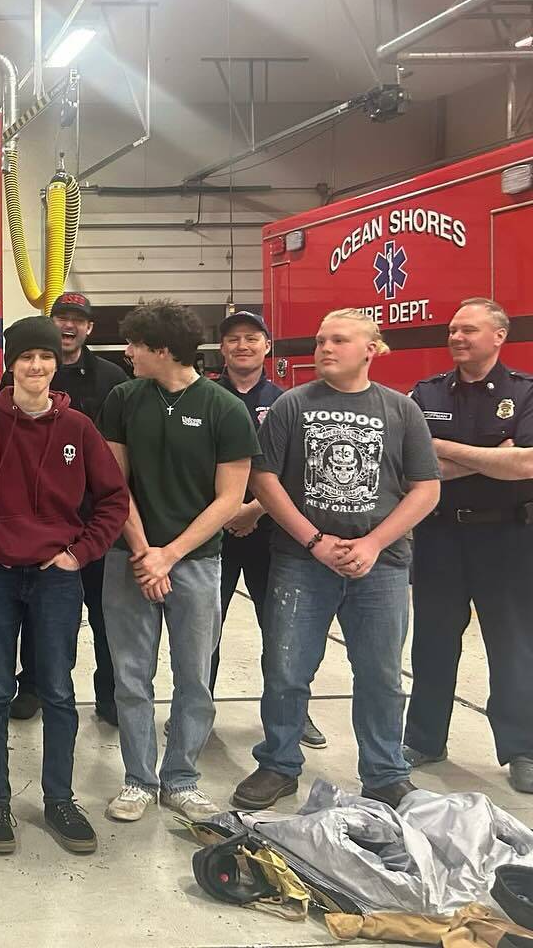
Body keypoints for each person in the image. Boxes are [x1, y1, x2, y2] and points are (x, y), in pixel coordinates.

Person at [0, 316, 128, 855]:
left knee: (59, 692)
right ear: (9, 365)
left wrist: (79, 553)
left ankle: (59, 798)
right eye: (26, 359)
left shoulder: (78, 429)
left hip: (56, 581)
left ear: (54, 364)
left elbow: (113, 500)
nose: (37, 367)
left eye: (45, 358)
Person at [232, 309, 440, 811]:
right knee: (287, 668)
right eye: (321, 340)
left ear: (371, 348)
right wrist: (313, 541)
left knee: (381, 674)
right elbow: (265, 481)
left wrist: (371, 544)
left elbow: (426, 489)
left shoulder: (401, 410)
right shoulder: (291, 406)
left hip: (382, 564)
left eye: (339, 340)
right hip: (303, 562)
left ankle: (385, 772)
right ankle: (279, 764)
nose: (324, 348)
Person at [98, 300, 259, 824]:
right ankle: (139, 780)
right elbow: (114, 486)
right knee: (130, 676)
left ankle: (182, 778)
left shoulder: (224, 408)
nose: (128, 353)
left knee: (194, 677)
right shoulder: (122, 398)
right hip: (130, 558)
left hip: (194, 564)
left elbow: (229, 500)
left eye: (136, 345)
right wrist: (145, 552)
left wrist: (170, 555)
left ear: (161, 350)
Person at [403, 298, 533, 794]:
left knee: (514, 644)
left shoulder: (524, 393)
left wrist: (442, 448)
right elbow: (411, 465)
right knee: (433, 640)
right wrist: (490, 458)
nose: (457, 337)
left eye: (469, 330)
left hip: (508, 537)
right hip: (438, 535)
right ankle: (424, 739)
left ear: (499, 335)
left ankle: (522, 749)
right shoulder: (427, 392)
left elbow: (525, 465)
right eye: (453, 330)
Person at [5, 291, 130, 726]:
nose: (69, 325)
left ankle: (109, 694)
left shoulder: (113, 378)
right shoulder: (17, 379)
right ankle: (34, 686)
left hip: (94, 520)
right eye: (61, 317)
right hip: (40, 521)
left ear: (90, 328)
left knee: (103, 612)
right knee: (36, 612)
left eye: (78, 319)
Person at [210, 311, 325, 750]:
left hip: (271, 537)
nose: (242, 345)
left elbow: (296, 471)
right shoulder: (202, 398)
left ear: (266, 346)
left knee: (282, 630)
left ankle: (293, 714)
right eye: (233, 339)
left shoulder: (287, 402)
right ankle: (196, 712)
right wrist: (227, 514)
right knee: (206, 630)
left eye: (252, 338)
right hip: (213, 535)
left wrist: (253, 511)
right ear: (222, 348)